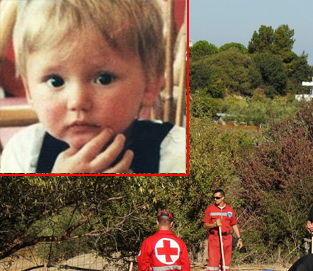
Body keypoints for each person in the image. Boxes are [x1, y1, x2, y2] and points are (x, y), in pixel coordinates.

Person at [1, 0, 186, 173]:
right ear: (29, 91)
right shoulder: (24, 154)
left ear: (150, 84)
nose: (77, 102)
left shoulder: (177, 155)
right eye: (55, 81)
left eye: (103, 79)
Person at [202, 189, 242, 271]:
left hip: (227, 239)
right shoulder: (210, 209)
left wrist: (239, 238)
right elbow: (205, 224)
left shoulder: (230, 210)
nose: (215, 200)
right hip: (214, 238)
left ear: (223, 197)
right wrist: (214, 224)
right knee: (212, 265)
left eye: (217, 198)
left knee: (224, 265)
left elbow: (234, 224)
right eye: (214, 198)